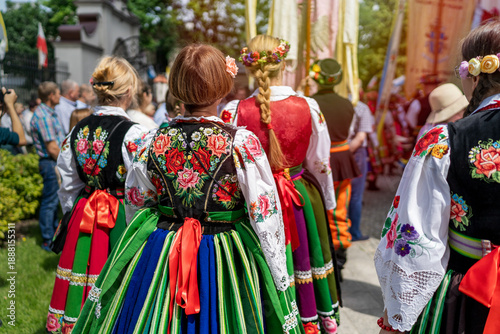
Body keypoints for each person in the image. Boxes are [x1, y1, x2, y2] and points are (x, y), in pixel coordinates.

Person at [73, 44, 303, 334]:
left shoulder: (149, 140)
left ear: (176, 88)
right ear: (223, 89)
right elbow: (264, 212)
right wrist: (278, 272)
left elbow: (137, 201)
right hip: (227, 249)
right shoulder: (241, 143)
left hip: (164, 246)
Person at [375, 19, 500, 333]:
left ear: (472, 74)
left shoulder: (446, 139)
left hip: (471, 293)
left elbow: (415, 237)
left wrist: (398, 313)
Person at [223, 35, 340, 333]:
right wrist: (327, 201)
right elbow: (320, 162)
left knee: (264, 261)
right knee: (303, 257)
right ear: (283, 64)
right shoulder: (308, 106)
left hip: (255, 201)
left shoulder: (234, 111)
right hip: (298, 194)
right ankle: (310, 318)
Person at [46, 56, 147, 334]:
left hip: (84, 213)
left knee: (84, 275)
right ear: (128, 92)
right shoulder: (135, 133)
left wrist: (74, 212)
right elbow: (141, 190)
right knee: (119, 281)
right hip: (119, 217)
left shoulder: (77, 130)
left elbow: (67, 183)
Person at [299, 58, 360, 272]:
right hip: (342, 158)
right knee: (338, 208)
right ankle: (340, 252)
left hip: (317, 158)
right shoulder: (346, 103)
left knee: (316, 207)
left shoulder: (309, 103)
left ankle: (321, 252)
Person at [30, 81, 64, 251]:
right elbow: (51, 147)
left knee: (53, 200)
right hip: (50, 163)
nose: (60, 96)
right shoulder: (43, 116)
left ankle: (52, 236)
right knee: (50, 202)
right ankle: (47, 240)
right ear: (51, 96)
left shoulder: (50, 113)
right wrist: (67, 164)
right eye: (58, 93)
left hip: (52, 162)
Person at [348, 98, 374, 241]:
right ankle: (354, 232)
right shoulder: (361, 107)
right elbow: (361, 135)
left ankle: (337, 230)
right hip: (356, 152)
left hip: (335, 150)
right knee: (356, 195)